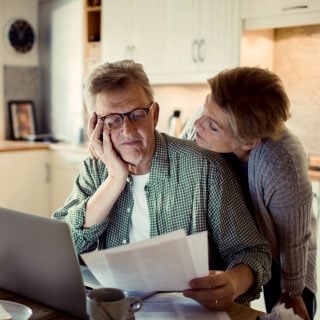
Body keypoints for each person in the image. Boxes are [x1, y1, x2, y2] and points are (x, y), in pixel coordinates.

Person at [53, 60, 271, 311]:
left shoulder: (205, 167)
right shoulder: (96, 169)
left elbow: (254, 252)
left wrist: (232, 282)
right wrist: (114, 179)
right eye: (112, 120)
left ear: (154, 114)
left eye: (137, 115)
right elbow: (63, 248)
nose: (127, 131)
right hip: (118, 312)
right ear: (95, 125)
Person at [180, 66, 317, 320]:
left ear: (249, 142)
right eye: (204, 108)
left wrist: (293, 293)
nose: (197, 123)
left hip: (283, 250)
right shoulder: (203, 123)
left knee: (289, 310)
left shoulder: (282, 161)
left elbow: (293, 238)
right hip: (234, 240)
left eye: (212, 126)